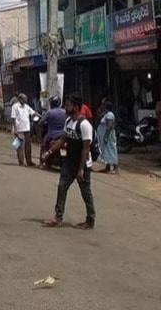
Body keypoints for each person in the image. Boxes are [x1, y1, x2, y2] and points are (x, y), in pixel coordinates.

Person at [42, 92, 96, 229]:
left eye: (68, 105)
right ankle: (58, 217)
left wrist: (81, 169)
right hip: (69, 161)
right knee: (62, 187)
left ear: (76, 107)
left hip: (81, 163)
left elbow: (85, 148)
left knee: (85, 192)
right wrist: (49, 151)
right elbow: (62, 140)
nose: (65, 108)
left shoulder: (84, 125)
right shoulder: (68, 121)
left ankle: (90, 220)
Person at [39, 95, 66, 168]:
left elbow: (41, 122)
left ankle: (43, 162)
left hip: (52, 134)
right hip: (63, 134)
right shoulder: (65, 111)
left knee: (43, 145)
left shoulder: (50, 112)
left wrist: (40, 124)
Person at [11, 93, 36, 166]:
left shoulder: (26, 106)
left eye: (26, 100)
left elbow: (33, 112)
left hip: (27, 129)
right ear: (20, 99)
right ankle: (21, 162)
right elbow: (13, 118)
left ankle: (29, 161)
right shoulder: (15, 106)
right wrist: (15, 129)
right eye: (24, 99)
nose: (25, 101)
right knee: (19, 146)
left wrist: (39, 115)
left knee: (28, 146)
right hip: (19, 129)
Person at [96, 99, 118, 174]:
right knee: (105, 151)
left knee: (111, 151)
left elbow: (109, 126)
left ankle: (115, 167)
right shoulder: (105, 114)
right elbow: (98, 113)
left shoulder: (109, 115)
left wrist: (106, 136)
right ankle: (107, 167)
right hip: (103, 136)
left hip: (108, 136)